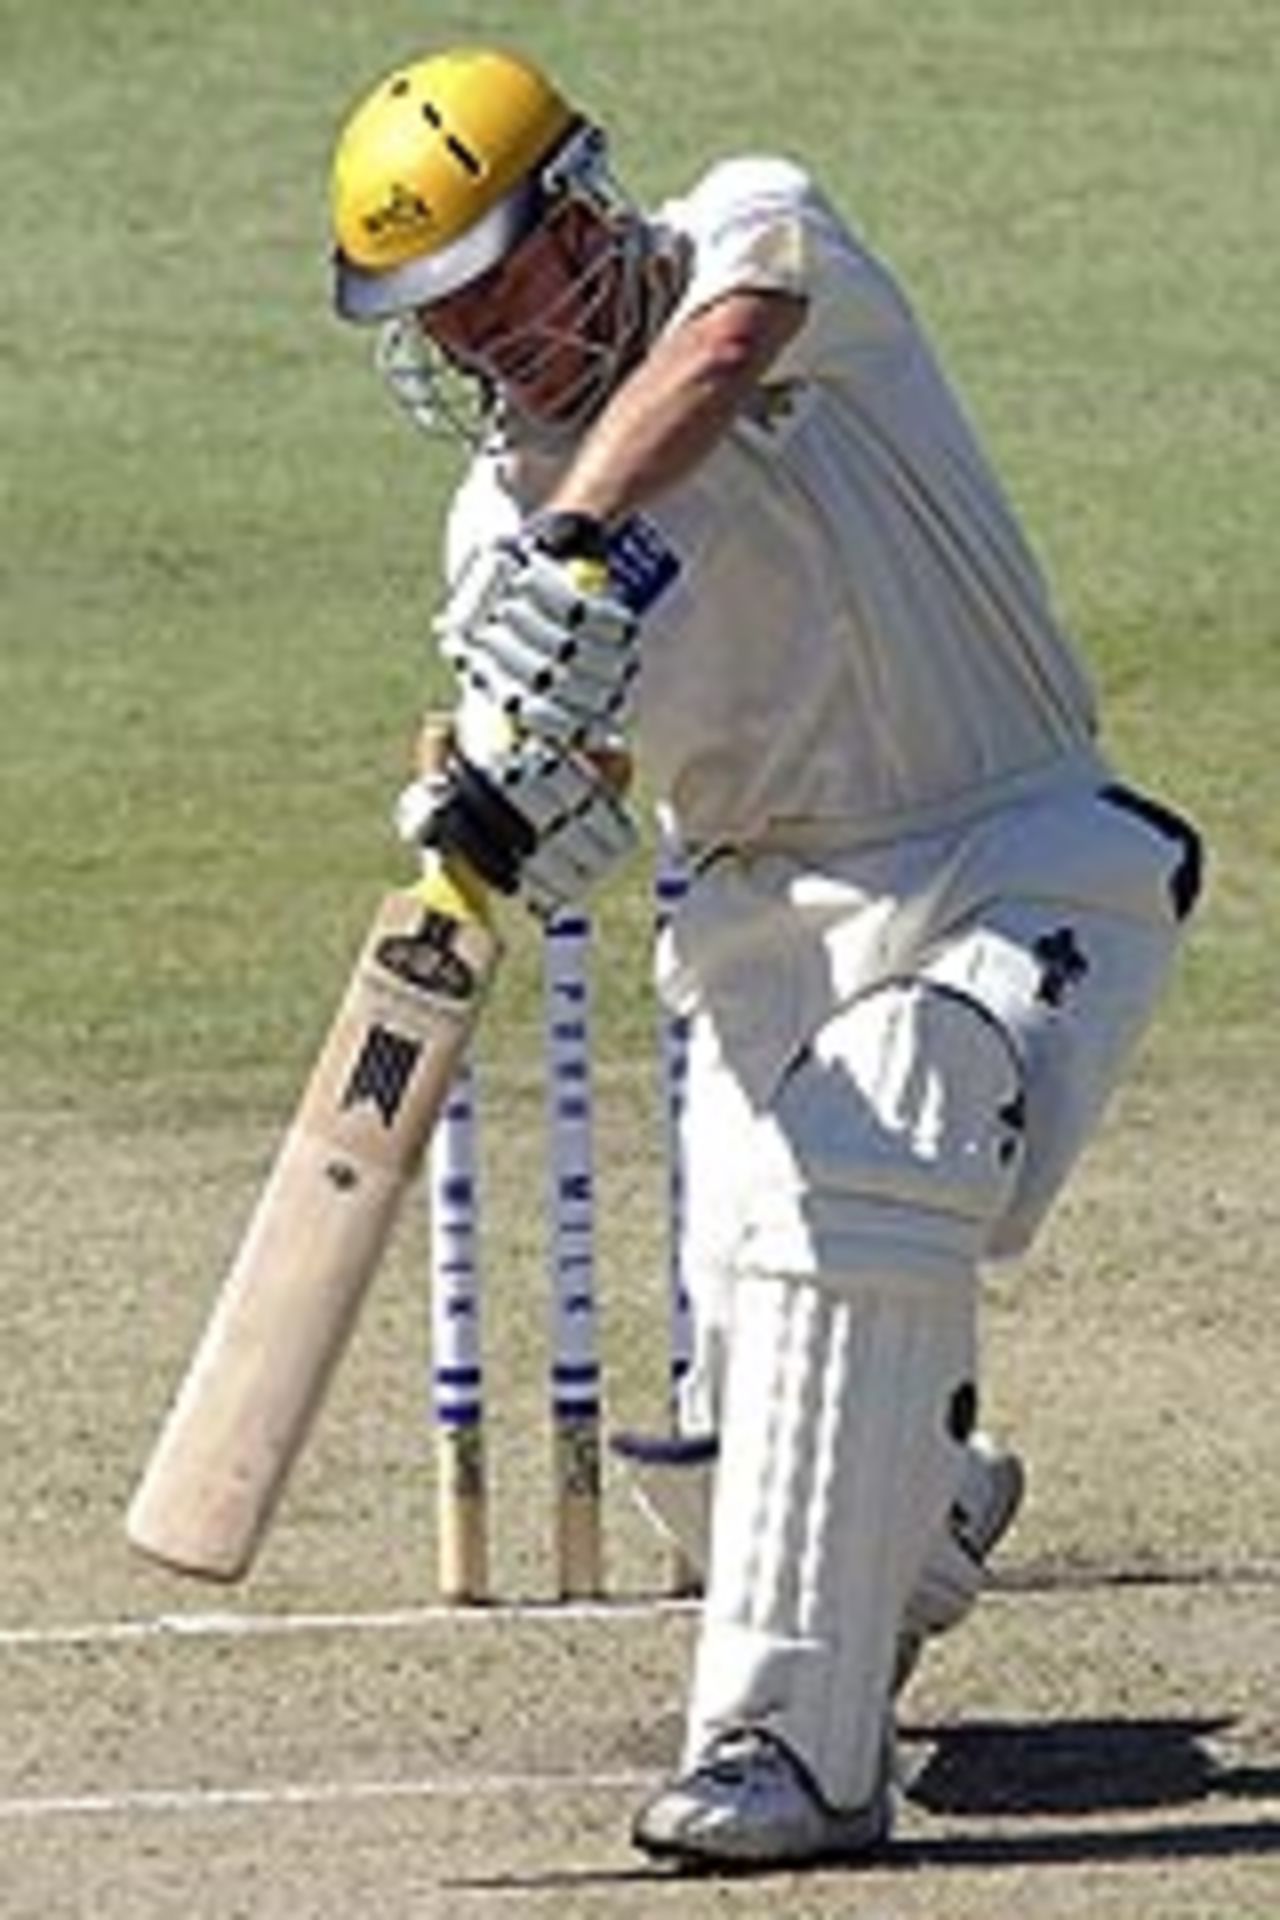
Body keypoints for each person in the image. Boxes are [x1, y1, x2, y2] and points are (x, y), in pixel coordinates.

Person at [327, 46, 1203, 1870]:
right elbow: (573, 811)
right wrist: (511, 811)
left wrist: (583, 542)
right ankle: (914, 1498)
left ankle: (785, 1759)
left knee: (880, 1142)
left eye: (501, 284)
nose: (485, 342)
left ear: (581, 215)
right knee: (748, 1465)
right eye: (442, 317)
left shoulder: (756, 225)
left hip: (1014, 845)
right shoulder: (492, 535)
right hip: (751, 935)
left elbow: (719, 357)